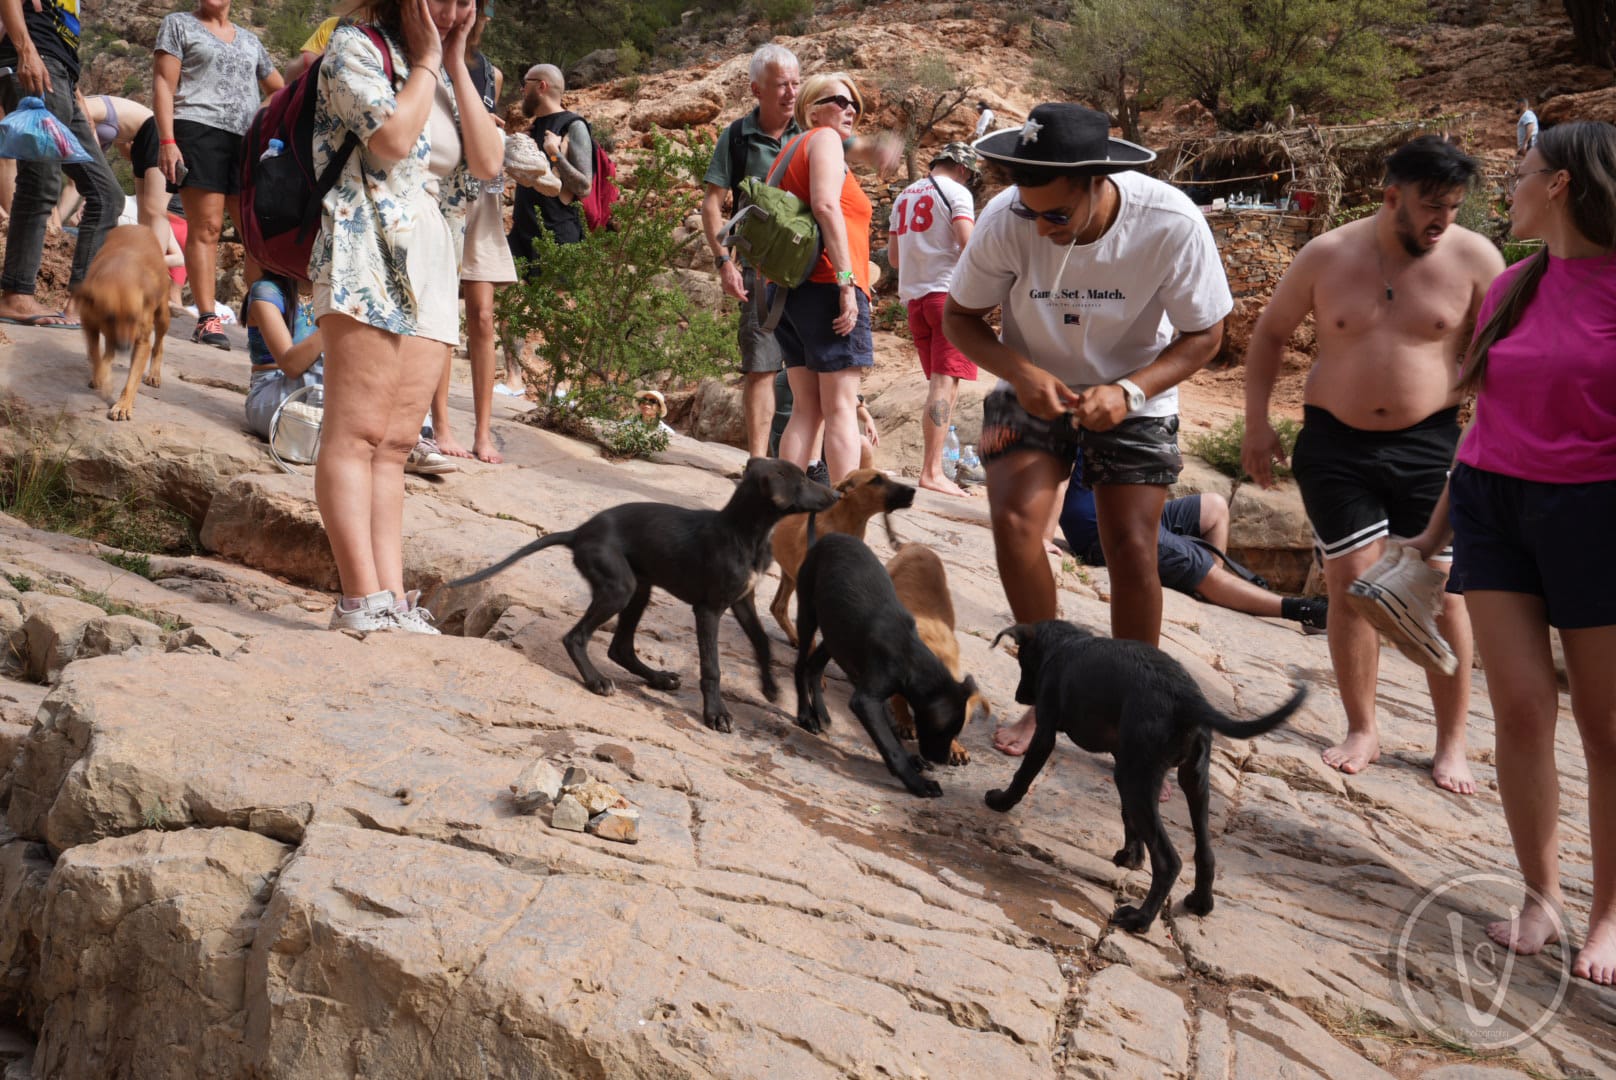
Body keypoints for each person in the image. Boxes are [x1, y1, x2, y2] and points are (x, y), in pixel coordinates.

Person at [944, 103, 1232, 756]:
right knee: (1017, 526)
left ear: (1097, 184)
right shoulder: (1007, 218)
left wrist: (1130, 392)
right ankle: (1048, 694)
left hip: (1137, 388)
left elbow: (1205, 333)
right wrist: (1019, 373)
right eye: (1028, 209)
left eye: (1056, 215)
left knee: (1130, 546)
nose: (1039, 227)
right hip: (1032, 379)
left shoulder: (1170, 223)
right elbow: (960, 319)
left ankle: (1138, 713)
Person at [1402, 121, 1616, 984]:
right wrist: (1434, 532)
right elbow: (1484, 423)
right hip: (1494, 505)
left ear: (1560, 184)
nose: (1508, 189)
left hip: (1598, 514)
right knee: (1522, 711)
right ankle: (1542, 895)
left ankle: (1609, 913)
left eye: (1521, 173)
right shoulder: (1513, 285)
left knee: (1606, 731)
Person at [1242, 135, 1504, 793]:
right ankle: (1362, 727)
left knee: (1442, 592)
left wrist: (1486, 414)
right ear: (1392, 197)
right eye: (1431, 206)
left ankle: (1451, 744)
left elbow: (1504, 348)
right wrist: (1254, 422)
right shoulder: (1328, 254)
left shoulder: (1476, 259)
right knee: (1351, 581)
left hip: (1434, 443)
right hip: (1336, 443)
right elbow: (1270, 333)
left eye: (1453, 206)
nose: (1443, 220)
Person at [310, 0, 501, 633]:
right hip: (365, 243)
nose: (457, 9)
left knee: (394, 446)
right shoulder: (353, 48)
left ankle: (390, 597)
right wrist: (423, 60)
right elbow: (391, 141)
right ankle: (358, 599)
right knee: (355, 432)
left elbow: (487, 163)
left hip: (432, 259)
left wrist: (451, 60)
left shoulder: (450, 72)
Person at [1059, 449, 1328, 631]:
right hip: (1108, 531)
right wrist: (1044, 537)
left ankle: (1210, 587)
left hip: (1137, 513)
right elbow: (1057, 478)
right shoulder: (1083, 410)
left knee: (1215, 506)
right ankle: (1298, 609)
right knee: (1194, 561)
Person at [153, 0, 285, 350]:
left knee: (255, 234)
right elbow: (164, 84)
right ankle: (207, 317)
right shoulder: (178, 24)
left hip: (245, 141)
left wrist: (262, 120)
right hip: (197, 130)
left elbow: (279, 89)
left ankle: (260, 317)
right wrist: (167, 141)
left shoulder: (250, 40)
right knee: (207, 227)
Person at [772, 72, 876, 486]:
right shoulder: (825, 140)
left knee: (806, 410)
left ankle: (784, 510)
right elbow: (826, 207)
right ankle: (844, 523)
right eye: (838, 100)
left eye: (854, 104)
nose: (849, 108)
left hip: (791, 293)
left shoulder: (788, 152)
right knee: (841, 410)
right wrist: (847, 283)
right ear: (812, 109)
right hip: (827, 287)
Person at [700, 44, 802, 459]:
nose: (791, 93)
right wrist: (724, 261)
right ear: (757, 89)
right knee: (761, 366)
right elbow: (711, 204)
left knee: (809, 372)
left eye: (796, 83)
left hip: (809, 271)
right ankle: (758, 465)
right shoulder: (737, 136)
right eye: (781, 85)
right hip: (760, 273)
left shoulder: (812, 132)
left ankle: (800, 465)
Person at [0, 0, 125, 329]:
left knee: (107, 195)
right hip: (35, 63)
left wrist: (75, 88)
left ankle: (79, 305)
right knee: (40, 181)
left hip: (63, 80)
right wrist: (25, 50)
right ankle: (16, 293)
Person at [427, 0, 510, 464]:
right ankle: (440, 423)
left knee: (481, 315)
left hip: (484, 196)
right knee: (442, 315)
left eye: (476, 11)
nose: (471, 19)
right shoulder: (424, 55)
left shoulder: (490, 72)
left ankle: (483, 432)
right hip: (441, 194)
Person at [889, 140, 978, 496]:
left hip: (915, 300)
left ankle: (934, 466)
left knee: (937, 384)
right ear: (963, 168)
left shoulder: (903, 197)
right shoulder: (957, 192)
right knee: (946, 384)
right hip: (947, 297)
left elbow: (894, 259)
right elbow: (968, 245)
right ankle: (932, 471)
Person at [506, 62, 590, 260]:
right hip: (523, 236)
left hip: (557, 240)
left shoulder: (574, 125)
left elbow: (584, 188)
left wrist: (554, 154)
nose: (522, 90)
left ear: (541, 86)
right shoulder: (534, 127)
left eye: (525, 84)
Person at [243, 269, 323, 441]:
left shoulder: (329, 292)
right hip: (272, 395)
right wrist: (338, 323)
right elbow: (290, 366)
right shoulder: (266, 291)